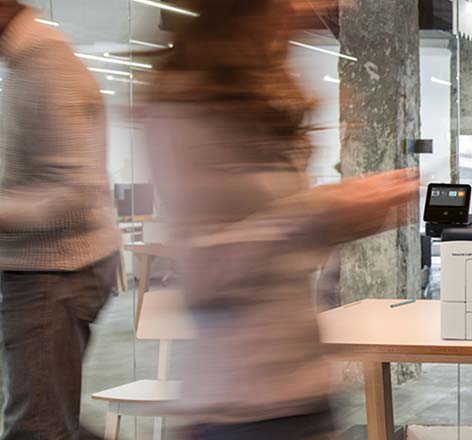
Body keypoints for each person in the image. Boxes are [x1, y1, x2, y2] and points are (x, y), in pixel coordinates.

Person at [141, 0, 420, 437]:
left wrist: (347, 217)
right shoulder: (183, 105)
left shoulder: (263, 99)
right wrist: (324, 212)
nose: (318, 7)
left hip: (300, 389)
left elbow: (280, 242)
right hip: (238, 406)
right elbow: (206, 273)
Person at [0, 2, 121, 439]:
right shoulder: (23, 64)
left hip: (54, 272)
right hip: (44, 270)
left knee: (37, 427)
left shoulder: (46, 68)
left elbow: (73, 193)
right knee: (50, 417)